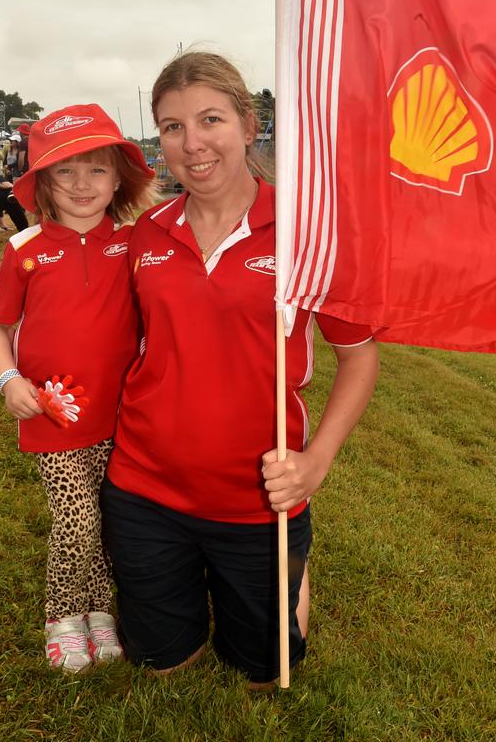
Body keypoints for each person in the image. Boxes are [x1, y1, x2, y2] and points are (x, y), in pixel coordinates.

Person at [101, 51, 379, 685]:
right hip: (145, 484)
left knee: (262, 672)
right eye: (172, 126)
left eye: (210, 119)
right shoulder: (148, 233)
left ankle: (291, 575)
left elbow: (359, 356)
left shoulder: (308, 233)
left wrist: (315, 463)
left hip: (259, 495)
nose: (192, 143)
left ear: (249, 124)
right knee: (163, 664)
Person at [0, 104, 154, 673]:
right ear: (44, 182)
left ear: (118, 178)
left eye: (97, 170)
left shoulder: (132, 245)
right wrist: (8, 379)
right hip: (53, 411)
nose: (82, 185)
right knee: (75, 518)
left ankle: (99, 610)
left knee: (107, 514)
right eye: (66, 171)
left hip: (121, 413)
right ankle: (61, 615)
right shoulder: (24, 249)